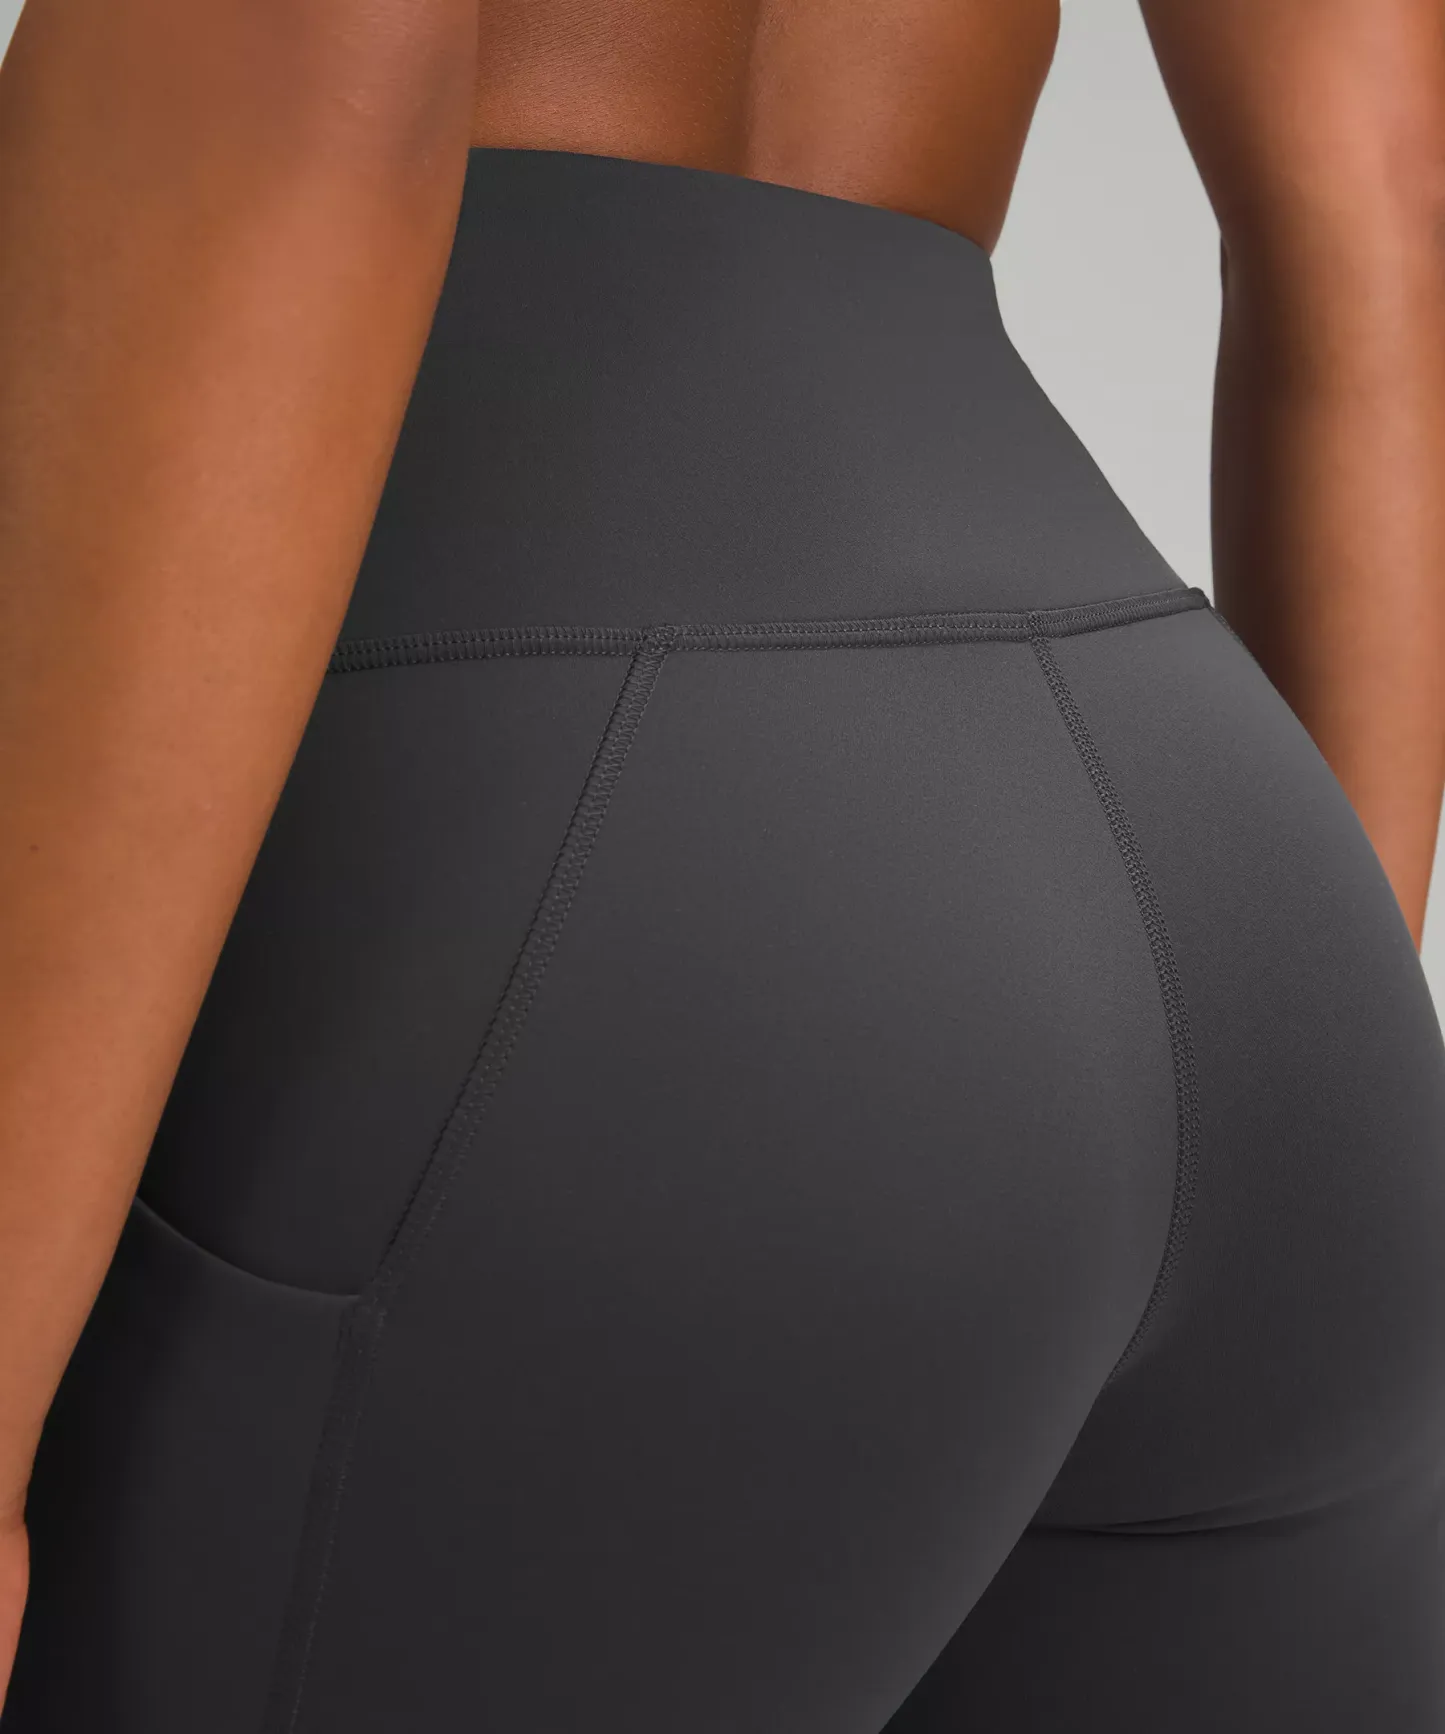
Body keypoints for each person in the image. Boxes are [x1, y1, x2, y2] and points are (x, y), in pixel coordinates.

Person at [1, 0, 1444, 1727]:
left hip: (525, 809)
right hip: (1233, 873)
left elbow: (293, 57)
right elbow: (1381, 188)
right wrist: (1303, 1090)